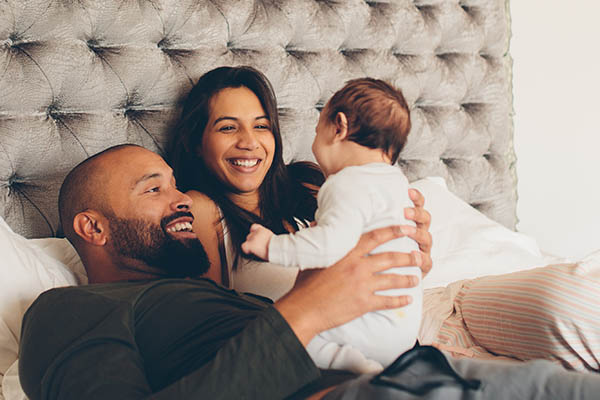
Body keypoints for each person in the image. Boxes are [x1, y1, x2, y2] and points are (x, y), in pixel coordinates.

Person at [19, 144, 600, 400]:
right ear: (92, 229)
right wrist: (307, 310)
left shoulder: (209, 301)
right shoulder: (67, 310)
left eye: (176, 183)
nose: (181, 200)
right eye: (154, 189)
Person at [167, 65, 600, 373]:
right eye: (227, 128)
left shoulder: (312, 183)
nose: (249, 142)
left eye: (261, 126)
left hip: (439, 305)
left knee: (575, 298)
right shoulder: (203, 210)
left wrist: (417, 255)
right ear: (196, 141)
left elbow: (395, 251)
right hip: (387, 350)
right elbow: (211, 329)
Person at [241, 78, 422, 373]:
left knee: (297, 342)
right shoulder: (398, 184)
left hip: (368, 324)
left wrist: (272, 245)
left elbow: (328, 248)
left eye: (317, 131)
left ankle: (357, 369)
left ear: (339, 127)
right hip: (403, 326)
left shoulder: (346, 182)